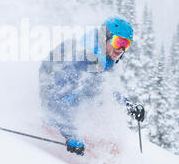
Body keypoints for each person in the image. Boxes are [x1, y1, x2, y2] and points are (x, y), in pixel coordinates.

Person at [39, 16, 145, 156]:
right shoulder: (83, 59)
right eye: (119, 41)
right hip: (54, 113)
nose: (121, 49)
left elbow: (104, 90)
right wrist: (71, 136)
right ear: (105, 37)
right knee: (106, 153)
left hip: (73, 105)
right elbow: (56, 99)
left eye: (126, 44)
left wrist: (128, 106)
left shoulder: (104, 58)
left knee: (111, 149)